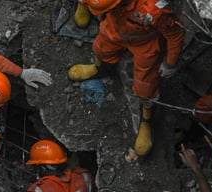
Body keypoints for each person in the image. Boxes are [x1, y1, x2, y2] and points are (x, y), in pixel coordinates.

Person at [68, 0, 185, 157]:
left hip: (145, 42)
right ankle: (100, 68)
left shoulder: (153, 10)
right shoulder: (114, 6)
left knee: (146, 87)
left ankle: (146, 117)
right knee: (101, 48)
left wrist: (170, 63)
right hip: (115, 27)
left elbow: (175, 33)